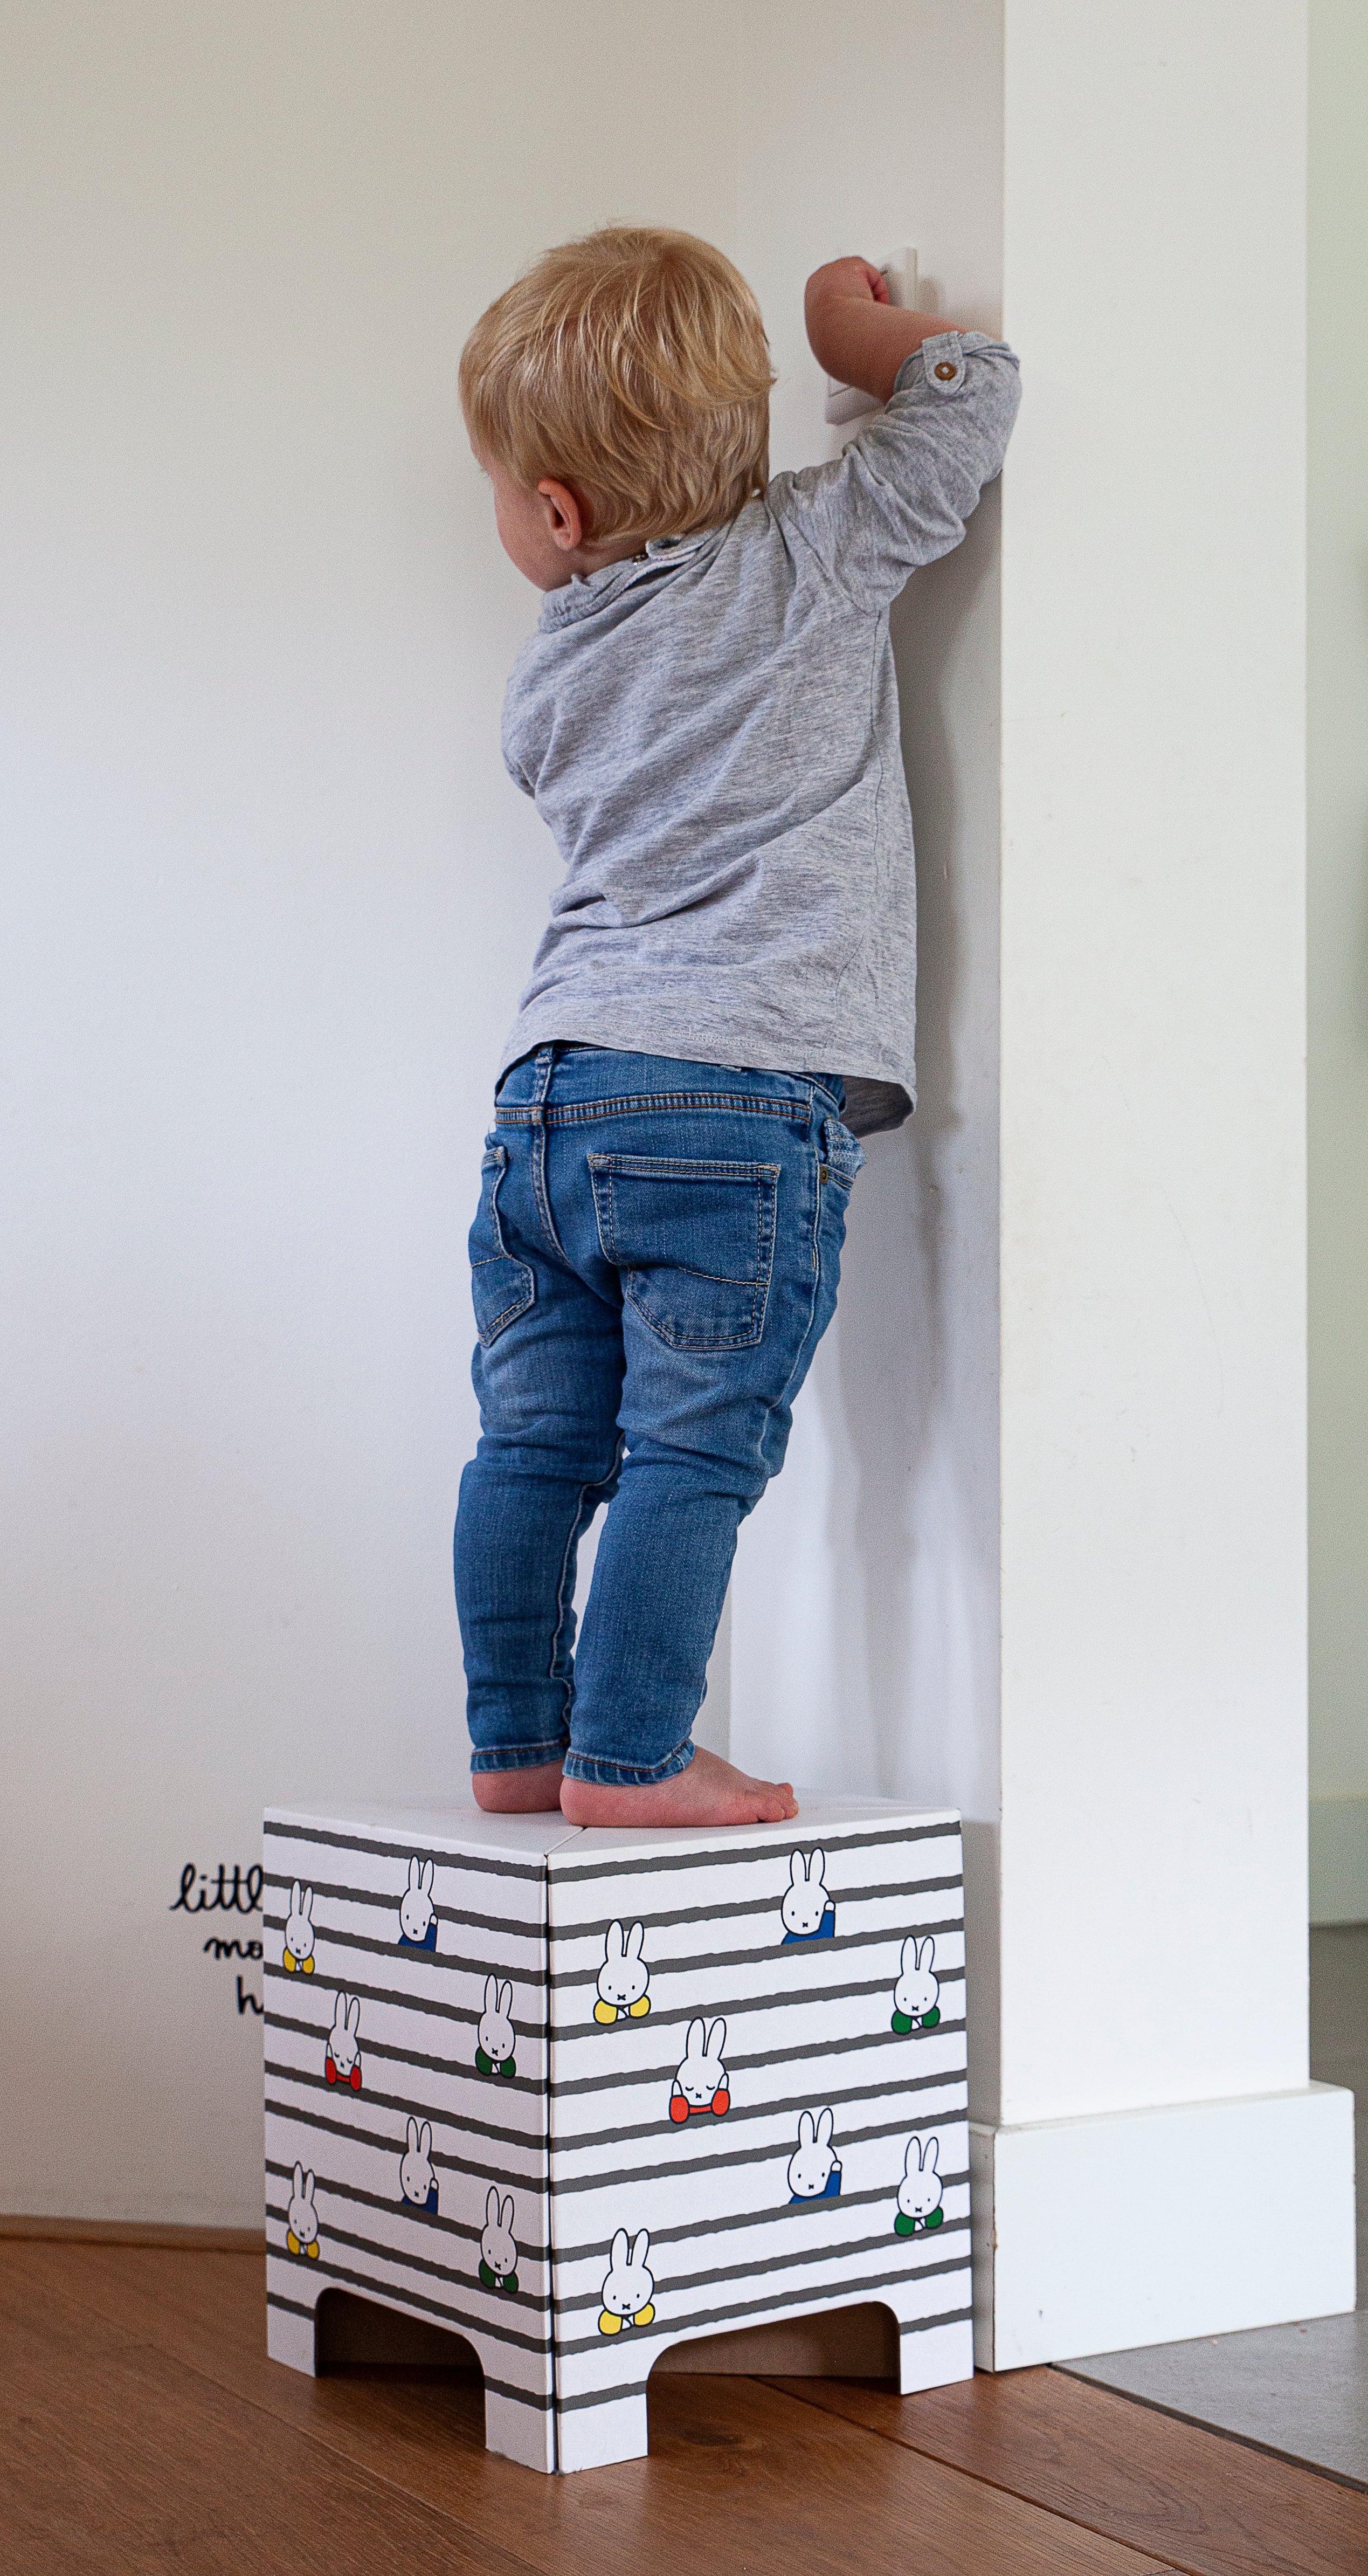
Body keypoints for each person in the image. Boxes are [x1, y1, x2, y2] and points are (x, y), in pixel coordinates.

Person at [453, 226, 1019, 1826]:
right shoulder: (813, 551)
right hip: (737, 1103)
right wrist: (853, 327)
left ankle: (518, 1735)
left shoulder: (551, 668)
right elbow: (972, 404)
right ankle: (630, 1755)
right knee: (691, 1453)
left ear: (555, 516)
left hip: (548, 1097)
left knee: (531, 1448)